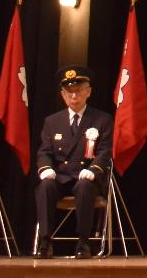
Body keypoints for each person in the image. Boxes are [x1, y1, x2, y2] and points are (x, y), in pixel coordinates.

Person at [32, 64, 114, 257]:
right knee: (44, 187)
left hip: (86, 176)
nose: (74, 97)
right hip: (61, 175)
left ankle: (83, 242)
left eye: (78, 91)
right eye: (69, 92)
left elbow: (105, 151)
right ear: (62, 94)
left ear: (88, 92)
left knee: (85, 187)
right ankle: (45, 241)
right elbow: (44, 151)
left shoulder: (101, 119)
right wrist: (45, 169)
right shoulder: (52, 121)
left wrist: (94, 169)